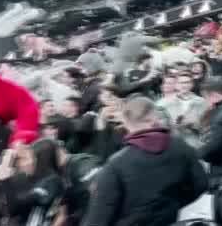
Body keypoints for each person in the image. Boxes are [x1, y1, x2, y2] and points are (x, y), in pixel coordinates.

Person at [82, 96, 208, 226]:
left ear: (126, 123)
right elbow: (201, 183)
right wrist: (173, 204)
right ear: (155, 119)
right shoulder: (181, 147)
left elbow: (99, 216)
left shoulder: (117, 163)